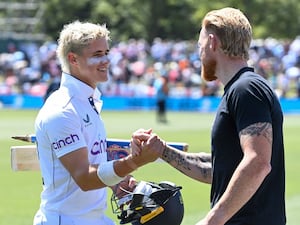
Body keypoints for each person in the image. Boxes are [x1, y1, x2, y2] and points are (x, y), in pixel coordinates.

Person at [131, 7, 286, 225]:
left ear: (212, 42)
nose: (199, 53)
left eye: (200, 45)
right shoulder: (239, 89)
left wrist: (213, 219)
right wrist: (162, 150)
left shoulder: (246, 88)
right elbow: (218, 169)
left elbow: (258, 162)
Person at [33, 20, 161, 225]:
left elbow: (94, 163)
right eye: (97, 55)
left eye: (106, 53)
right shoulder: (62, 110)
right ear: (73, 59)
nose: (106, 61)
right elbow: (84, 177)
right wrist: (134, 161)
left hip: (94, 218)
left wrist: (117, 182)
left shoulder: (88, 101)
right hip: (65, 220)